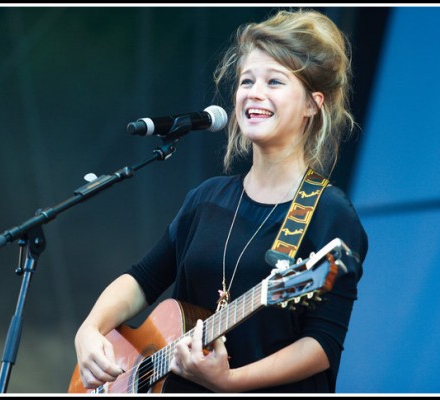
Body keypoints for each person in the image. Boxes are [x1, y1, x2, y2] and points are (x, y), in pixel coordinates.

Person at [73, 8, 368, 393]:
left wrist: (230, 381)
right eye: (247, 80)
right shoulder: (207, 198)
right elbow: (142, 279)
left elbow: (322, 345)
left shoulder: (329, 212)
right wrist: (89, 330)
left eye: (275, 81)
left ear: (313, 104)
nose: (254, 93)